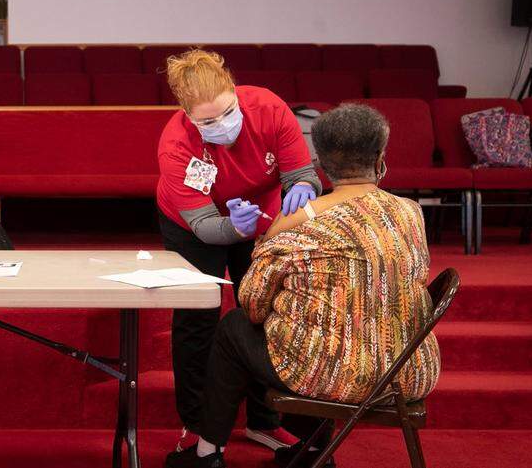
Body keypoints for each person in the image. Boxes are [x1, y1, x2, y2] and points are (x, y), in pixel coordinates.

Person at [188, 103, 442, 468]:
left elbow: (252, 303)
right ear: (381, 156)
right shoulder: (411, 213)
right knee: (313, 332)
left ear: (318, 162)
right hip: (406, 373)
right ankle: (310, 450)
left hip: (331, 374)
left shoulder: (301, 224)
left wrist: (271, 236)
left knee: (234, 326)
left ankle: (207, 454)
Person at [157, 50, 321, 467]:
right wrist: (235, 228)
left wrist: (303, 188)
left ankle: (263, 419)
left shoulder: (268, 107)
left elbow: (301, 173)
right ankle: (196, 424)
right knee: (197, 318)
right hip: (196, 224)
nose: (221, 125)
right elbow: (208, 228)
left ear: (235, 92)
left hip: (263, 214)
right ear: (187, 115)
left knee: (264, 313)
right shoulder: (176, 145)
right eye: (207, 121)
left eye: (227, 112)